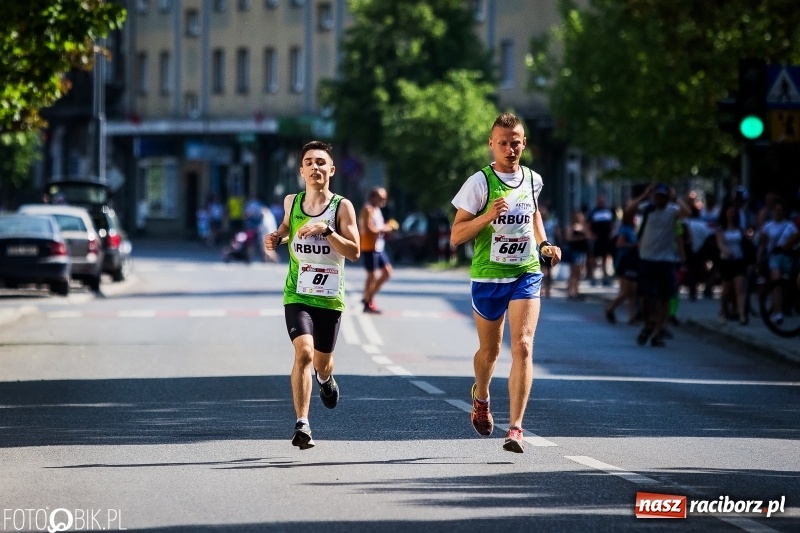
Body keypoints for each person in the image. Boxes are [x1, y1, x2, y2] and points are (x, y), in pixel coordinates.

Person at [450, 112, 561, 454]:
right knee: (490, 352)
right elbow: (456, 235)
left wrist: (544, 243)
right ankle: (481, 396)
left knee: (523, 346)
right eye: (503, 143)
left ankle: (515, 428)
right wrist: (487, 216)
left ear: (524, 143)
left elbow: (534, 214)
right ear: (491, 145)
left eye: (515, 143)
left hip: (525, 272)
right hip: (488, 276)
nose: (510, 149)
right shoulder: (479, 183)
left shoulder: (532, 180)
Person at [263, 140, 360, 450]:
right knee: (303, 353)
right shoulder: (292, 202)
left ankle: (325, 379)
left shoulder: (342, 207)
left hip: (330, 298)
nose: (315, 167)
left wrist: (327, 231)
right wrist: (277, 237)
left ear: (331, 170)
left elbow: (354, 251)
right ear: (301, 171)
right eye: (309, 162)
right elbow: (287, 227)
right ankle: (302, 423)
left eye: (321, 162)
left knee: (322, 363)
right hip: (298, 292)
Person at [625, 183, 691, 347]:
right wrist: (643, 195)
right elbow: (628, 211)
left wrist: (676, 197)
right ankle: (648, 324)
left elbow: (687, 212)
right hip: (647, 258)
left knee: (664, 297)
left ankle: (657, 331)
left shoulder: (672, 211)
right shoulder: (647, 208)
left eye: (664, 197)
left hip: (666, 260)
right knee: (646, 296)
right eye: (658, 196)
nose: (661, 200)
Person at [359, 187, 394, 313]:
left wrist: (386, 226)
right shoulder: (367, 209)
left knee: (387, 272)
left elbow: (377, 227)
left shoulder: (378, 210)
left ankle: (367, 298)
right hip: (369, 246)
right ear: (373, 197)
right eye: (381, 198)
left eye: (385, 198)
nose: (383, 200)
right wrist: (385, 229)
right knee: (372, 275)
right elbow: (368, 228)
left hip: (379, 246)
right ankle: (367, 301)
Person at [605, 208, 639, 324]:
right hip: (624, 262)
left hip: (634, 262)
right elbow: (619, 243)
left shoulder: (634, 228)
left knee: (633, 291)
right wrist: (634, 245)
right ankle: (610, 308)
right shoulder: (624, 228)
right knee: (626, 291)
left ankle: (631, 317)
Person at [716, 204, 748, 325]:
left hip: (739, 260)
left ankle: (742, 315)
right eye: (729, 212)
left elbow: (744, 241)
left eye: (733, 212)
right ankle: (724, 312)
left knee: (740, 288)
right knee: (727, 289)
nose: (731, 214)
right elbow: (720, 244)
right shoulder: (721, 228)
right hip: (726, 261)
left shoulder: (740, 228)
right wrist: (726, 251)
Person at [587, 194, 616, 286]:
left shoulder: (609, 211)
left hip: (606, 238)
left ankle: (605, 276)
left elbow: (613, 224)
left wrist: (612, 233)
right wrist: (591, 234)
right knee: (593, 257)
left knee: (605, 257)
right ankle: (593, 276)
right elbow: (588, 224)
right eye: (600, 201)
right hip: (597, 238)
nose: (601, 203)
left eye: (603, 201)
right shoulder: (593, 212)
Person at [565, 210, 590, 299]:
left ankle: (576, 290)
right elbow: (569, 238)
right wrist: (580, 237)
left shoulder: (583, 226)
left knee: (579, 272)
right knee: (573, 272)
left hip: (582, 251)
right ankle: (570, 291)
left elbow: (588, 235)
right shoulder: (571, 227)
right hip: (574, 251)